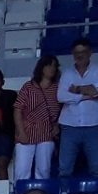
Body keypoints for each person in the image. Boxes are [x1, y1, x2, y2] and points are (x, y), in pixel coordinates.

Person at [56, 37, 98, 180]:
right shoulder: (67, 73)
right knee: (64, 169)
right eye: (76, 53)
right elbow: (61, 96)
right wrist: (85, 95)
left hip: (94, 125)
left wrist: (76, 89)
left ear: (90, 52)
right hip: (69, 126)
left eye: (83, 52)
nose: (79, 55)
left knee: (97, 168)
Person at [15, 55, 62, 183]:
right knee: (22, 171)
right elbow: (17, 110)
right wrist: (21, 132)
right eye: (49, 65)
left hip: (47, 132)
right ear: (42, 67)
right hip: (27, 130)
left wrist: (57, 125)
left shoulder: (58, 88)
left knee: (43, 170)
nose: (52, 68)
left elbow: (63, 109)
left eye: (54, 66)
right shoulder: (28, 87)